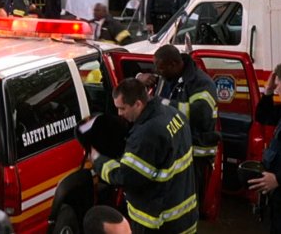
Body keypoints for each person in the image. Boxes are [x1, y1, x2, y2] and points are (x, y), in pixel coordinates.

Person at [92, 78, 198, 233]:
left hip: (159, 223)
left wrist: (98, 160)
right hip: (186, 216)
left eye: (122, 108)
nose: (119, 114)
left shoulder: (147, 135)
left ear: (138, 104)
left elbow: (126, 177)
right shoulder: (173, 113)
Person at [140, 44, 219, 208]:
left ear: (174, 64)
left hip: (195, 154)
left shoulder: (201, 83)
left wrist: (162, 103)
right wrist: (140, 76)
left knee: (188, 201)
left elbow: (200, 115)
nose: (158, 72)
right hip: (173, 149)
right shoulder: (169, 75)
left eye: (161, 68)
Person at [248, 61, 281, 234]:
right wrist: (268, 92)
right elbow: (262, 116)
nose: (276, 89)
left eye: (278, 85)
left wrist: (279, 179)